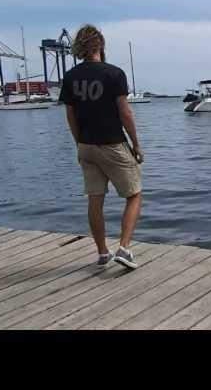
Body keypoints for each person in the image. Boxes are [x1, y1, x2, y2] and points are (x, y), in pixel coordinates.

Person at [59, 24, 142, 270]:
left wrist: (78, 143)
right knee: (134, 194)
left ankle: (102, 252)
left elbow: (70, 115)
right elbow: (125, 113)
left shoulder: (71, 77)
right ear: (100, 45)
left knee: (95, 199)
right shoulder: (114, 74)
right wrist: (136, 143)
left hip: (86, 146)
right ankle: (124, 249)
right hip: (112, 144)